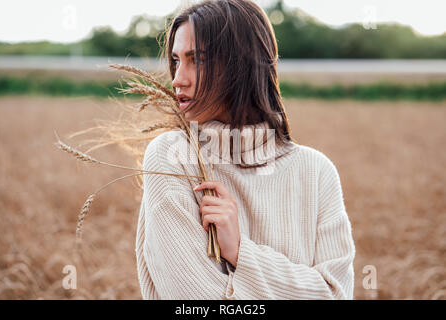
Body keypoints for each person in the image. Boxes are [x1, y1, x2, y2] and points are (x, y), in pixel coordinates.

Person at [135, 0, 355, 300]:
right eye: (176, 60)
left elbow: (335, 294)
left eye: (196, 60)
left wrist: (241, 252)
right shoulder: (172, 157)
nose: (177, 79)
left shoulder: (317, 172)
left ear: (241, 65)